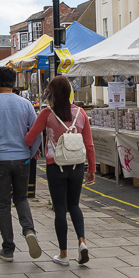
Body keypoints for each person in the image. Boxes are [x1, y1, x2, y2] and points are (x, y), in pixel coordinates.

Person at [25, 75, 95, 266]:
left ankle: (63, 254)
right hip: (77, 166)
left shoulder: (47, 114)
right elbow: (89, 144)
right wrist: (92, 169)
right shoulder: (81, 114)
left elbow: (30, 138)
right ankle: (82, 241)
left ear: (52, 93)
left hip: (55, 166)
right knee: (74, 205)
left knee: (60, 210)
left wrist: (35, 148)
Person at [0, 66, 42, 262]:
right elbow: (37, 132)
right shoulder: (25, 104)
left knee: (3, 204)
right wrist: (30, 153)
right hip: (22, 158)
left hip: (0, 158)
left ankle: (8, 249)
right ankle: (29, 230)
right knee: (21, 198)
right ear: (13, 83)